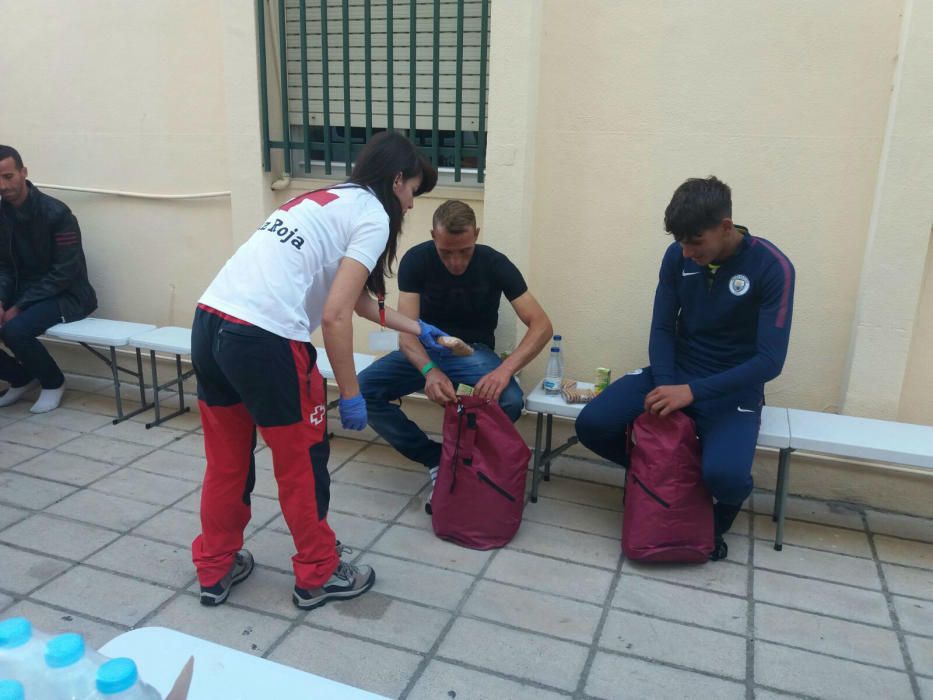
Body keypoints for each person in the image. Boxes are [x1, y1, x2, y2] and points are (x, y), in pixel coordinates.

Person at [190, 131, 446, 610]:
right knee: (301, 464)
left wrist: (417, 327)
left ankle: (215, 566)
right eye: (413, 190)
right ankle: (318, 572)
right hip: (264, 340)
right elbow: (334, 315)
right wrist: (351, 392)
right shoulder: (372, 214)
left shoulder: (323, 200)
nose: (411, 205)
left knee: (226, 460)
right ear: (396, 181)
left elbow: (355, 299)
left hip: (210, 321)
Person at [576, 176, 795, 560]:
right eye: (680, 241)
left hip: (731, 388)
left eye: (695, 242)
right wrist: (666, 386)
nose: (686, 251)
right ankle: (666, 477)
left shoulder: (772, 267)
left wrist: (691, 393)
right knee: (592, 424)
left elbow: (769, 361)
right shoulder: (677, 256)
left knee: (726, 477)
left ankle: (715, 516)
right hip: (676, 373)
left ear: (726, 227)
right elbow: (662, 327)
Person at [359, 199, 552, 511]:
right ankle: (436, 458)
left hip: (473, 353)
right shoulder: (417, 260)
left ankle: (461, 462)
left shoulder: (495, 263)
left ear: (476, 234)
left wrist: (505, 371)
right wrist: (430, 372)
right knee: (363, 389)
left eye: (464, 251)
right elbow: (407, 332)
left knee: (510, 401)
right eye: (446, 252)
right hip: (424, 349)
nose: (456, 261)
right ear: (433, 236)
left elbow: (541, 325)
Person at [0, 145, 97, 414]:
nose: (3, 185)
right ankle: (20, 378)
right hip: (23, 293)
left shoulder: (56, 213)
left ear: (23, 172)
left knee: (15, 330)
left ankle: (53, 382)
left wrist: (17, 307)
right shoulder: (1, 215)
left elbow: (66, 271)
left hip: (66, 295)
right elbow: (4, 267)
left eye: (8, 176)